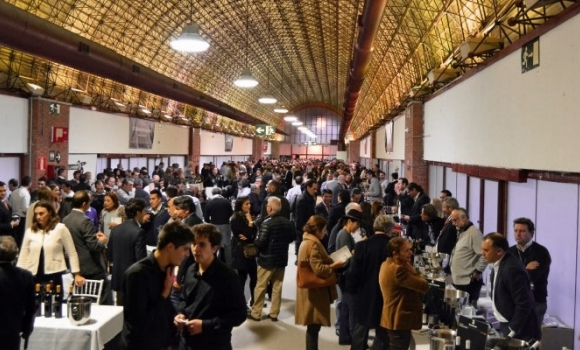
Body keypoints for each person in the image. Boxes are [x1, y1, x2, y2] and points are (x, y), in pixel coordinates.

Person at [120, 221, 194, 350]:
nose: (188, 254)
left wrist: (175, 317)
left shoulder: (167, 269)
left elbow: (163, 310)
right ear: (170, 247)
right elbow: (139, 323)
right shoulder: (137, 274)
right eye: (185, 249)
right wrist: (164, 294)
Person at [174, 223, 247, 350]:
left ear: (214, 248)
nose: (195, 249)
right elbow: (184, 299)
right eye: (193, 243)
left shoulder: (228, 277)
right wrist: (180, 313)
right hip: (187, 342)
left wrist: (205, 325)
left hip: (214, 344)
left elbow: (239, 314)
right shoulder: (191, 269)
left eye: (202, 244)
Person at [295, 215, 344, 350]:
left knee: (313, 326)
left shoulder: (307, 241)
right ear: (318, 230)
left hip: (311, 291)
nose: (325, 232)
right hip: (314, 291)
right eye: (324, 230)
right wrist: (335, 265)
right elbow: (319, 269)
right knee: (314, 326)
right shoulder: (313, 244)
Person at [348, 214, 396, 350]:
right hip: (386, 295)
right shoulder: (392, 248)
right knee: (383, 332)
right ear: (390, 229)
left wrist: (351, 290)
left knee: (360, 329)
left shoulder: (361, 246)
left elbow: (354, 272)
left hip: (364, 292)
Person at [481, 232, 541, 341]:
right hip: (506, 322)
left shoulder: (512, 269)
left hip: (520, 330)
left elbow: (523, 304)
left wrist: (512, 331)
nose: (482, 253)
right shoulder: (498, 263)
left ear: (499, 251)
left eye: (486, 250)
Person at [17, 200, 85, 288]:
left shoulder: (60, 228)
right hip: (33, 274)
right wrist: (19, 275)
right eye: (36, 214)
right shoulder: (30, 231)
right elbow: (23, 255)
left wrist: (76, 274)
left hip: (54, 273)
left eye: (41, 213)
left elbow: (72, 253)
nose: (38, 217)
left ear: (49, 213)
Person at [247, 197, 294, 322]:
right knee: (277, 287)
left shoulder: (266, 223)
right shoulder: (287, 222)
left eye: (267, 205)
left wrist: (255, 243)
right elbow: (292, 237)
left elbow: (260, 242)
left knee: (261, 287)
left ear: (270, 208)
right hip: (281, 259)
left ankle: (256, 313)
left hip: (266, 261)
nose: (266, 207)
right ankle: (274, 313)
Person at [379, 237, 429, 350]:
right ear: (395, 254)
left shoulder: (385, 264)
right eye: (406, 250)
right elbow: (424, 287)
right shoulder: (398, 270)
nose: (411, 252)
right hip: (398, 321)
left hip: (394, 318)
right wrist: (415, 273)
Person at [63, 190, 112, 304]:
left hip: (75, 267)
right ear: (85, 204)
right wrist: (102, 241)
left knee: (81, 299)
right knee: (103, 301)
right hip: (92, 267)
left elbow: (78, 240)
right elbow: (93, 246)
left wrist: (94, 237)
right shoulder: (85, 220)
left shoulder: (66, 219)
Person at [508, 218, 551, 329]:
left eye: (522, 231)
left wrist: (518, 271)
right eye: (516, 230)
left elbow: (533, 276)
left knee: (531, 337)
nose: (518, 234)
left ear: (531, 233)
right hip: (514, 302)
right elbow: (506, 277)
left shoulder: (541, 252)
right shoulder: (509, 252)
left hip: (536, 301)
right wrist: (525, 268)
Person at [108, 198, 148, 305]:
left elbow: (110, 255)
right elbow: (141, 260)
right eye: (144, 211)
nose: (145, 213)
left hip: (118, 277)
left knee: (120, 313)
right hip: (133, 280)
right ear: (138, 213)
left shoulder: (115, 230)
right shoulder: (139, 232)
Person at [0, 236, 36, 350]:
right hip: (13, 332)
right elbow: (31, 307)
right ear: (16, 253)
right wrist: (27, 328)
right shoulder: (26, 276)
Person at [449, 208, 487, 306]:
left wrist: (478, 271)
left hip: (468, 281)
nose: (453, 223)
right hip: (458, 279)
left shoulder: (474, 233)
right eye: (452, 220)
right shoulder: (462, 231)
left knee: (467, 313)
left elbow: (484, 255)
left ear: (464, 217)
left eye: (455, 220)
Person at [230, 196, 258, 307]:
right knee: (242, 279)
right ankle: (241, 303)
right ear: (240, 205)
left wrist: (250, 228)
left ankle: (254, 300)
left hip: (250, 251)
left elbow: (253, 233)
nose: (249, 206)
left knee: (254, 277)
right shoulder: (236, 218)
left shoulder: (248, 216)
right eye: (246, 204)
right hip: (240, 252)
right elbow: (248, 233)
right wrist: (251, 223)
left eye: (249, 203)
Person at [204, 187, 234, 266]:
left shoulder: (210, 202)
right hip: (225, 225)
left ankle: (215, 263)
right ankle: (229, 264)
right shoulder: (226, 202)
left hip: (214, 225)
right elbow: (231, 213)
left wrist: (210, 222)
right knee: (227, 246)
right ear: (220, 193)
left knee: (215, 245)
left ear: (213, 193)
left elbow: (206, 217)